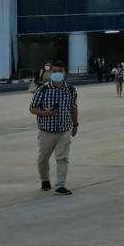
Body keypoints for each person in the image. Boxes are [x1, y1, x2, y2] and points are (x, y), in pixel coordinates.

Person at [29, 60, 79, 195]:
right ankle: (44, 179)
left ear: (65, 72)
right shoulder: (43, 90)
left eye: (60, 71)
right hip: (46, 131)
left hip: (64, 130)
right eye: (54, 71)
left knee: (63, 158)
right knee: (43, 158)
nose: (57, 73)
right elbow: (32, 108)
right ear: (50, 73)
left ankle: (60, 185)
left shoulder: (71, 90)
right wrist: (45, 113)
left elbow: (73, 108)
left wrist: (75, 124)